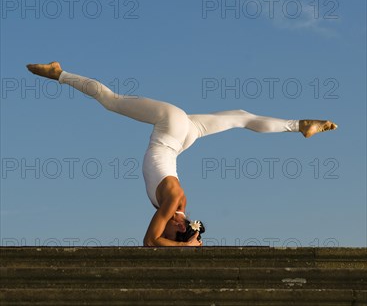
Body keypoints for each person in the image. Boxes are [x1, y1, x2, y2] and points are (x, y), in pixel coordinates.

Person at [26, 62, 338, 247]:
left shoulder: (173, 204)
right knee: (112, 101)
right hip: (173, 129)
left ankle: (301, 124)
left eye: (181, 229)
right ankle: (59, 73)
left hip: (180, 134)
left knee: (240, 116)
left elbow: (151, 242)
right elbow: (155, 242)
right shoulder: (175, 201)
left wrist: (186, 245)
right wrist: (189, 242)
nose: (184, 224)